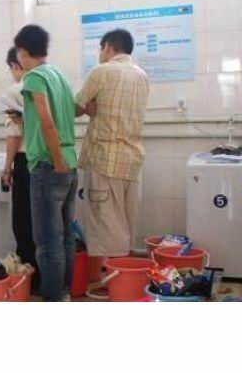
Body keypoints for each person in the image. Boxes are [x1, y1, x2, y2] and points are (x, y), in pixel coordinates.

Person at [74, 29, 149, 293]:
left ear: (107, 47)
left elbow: (75, 107)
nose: (99, 53)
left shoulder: (102, 71)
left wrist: (86, 108)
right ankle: (125, 283)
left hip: (106, 160)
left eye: (100, 48)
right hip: (132, 159)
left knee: (106, 224)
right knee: (126, 224)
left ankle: (111, 284)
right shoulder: (141, 76)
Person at [14, 25, 78, 302]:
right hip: (70, 163)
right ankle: (64, 292)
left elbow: (46, 120)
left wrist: (56, 160)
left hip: (49, 164)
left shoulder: (34, 77)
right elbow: (73, 111)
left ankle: (52, 298)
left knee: (47, 240)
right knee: (65, 236)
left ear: (22, 51)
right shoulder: (58, 75)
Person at [0, 47, 40, 291]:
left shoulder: (15, 92)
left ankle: (29, 276)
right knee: (44, 220)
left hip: (26, 161)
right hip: (50, 160)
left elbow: (14, 134)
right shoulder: (50, 84)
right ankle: (47, 277)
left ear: (16, 66)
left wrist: (7, 168)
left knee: (23, 220)